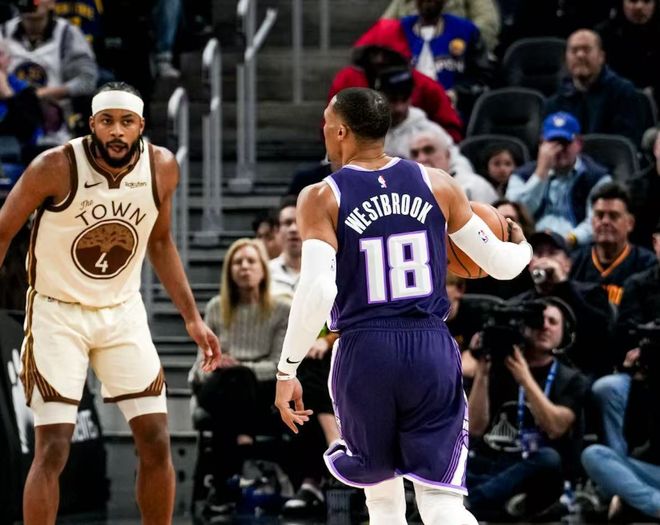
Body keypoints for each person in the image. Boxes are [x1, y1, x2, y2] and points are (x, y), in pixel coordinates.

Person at [273, 87, 532, 524]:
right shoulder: (438, 183)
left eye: (325, 123)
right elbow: (501, 266)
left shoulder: (321, 196)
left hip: (364, 349)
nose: (323, 131)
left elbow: (317, 290)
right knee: (441, 501)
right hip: (429, 347)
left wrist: (287, 370)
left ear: (341, 131)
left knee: (382, 499)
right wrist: (522, 247)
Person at [0, 81, 221, 524]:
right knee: (53, 446)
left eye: (126, 122)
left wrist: (192, 318)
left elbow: (160, 243)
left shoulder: (162, 167)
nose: (117, 131)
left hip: (122, 312)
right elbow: (4, 231)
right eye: (107, 121)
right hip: (57, 313)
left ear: (141, 125)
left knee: (156, 438)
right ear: (92, 125)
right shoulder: (55, 166)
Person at [188, 238, 290, 516]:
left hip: (260, 390)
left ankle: (222, 487)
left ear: (263, 269)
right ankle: (243, 444)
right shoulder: (215, 307)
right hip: (217, 386)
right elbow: (200, 365)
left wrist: (238, 366)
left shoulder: (282, 310)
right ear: (229, 271)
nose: (244, 267)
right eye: (237, 262)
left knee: (239, 379)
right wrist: (218, 365)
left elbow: (278, 366)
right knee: (232, 382)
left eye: (251, 261)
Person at [466, 299, 589, 521]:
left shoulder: (572, 379)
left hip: (535, 467)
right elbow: (473, 428)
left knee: (549, 459)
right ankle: (498, 502)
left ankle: (472, 502)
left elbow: (555, 428)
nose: (545, 326)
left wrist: (525, 378)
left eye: (553, 322)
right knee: (455, 455)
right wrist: (482, 372)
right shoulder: (498, 366)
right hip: (496, 463)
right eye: (538, 321)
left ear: (565, 332)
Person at [506, 111, 611, 249]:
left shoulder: (597, 178)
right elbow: (513, 215)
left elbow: (596, 221)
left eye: (564, 143)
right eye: (553, 143)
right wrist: (541, 173)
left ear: (579, 143)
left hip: (576, 247)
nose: (558, 150)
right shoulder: (521, 175)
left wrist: (570, 239)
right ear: (541, 143)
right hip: (528, 244)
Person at [545, 29, 644, 147]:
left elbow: (627, 144)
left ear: (601, 57)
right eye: (574, 50)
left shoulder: (622, 92)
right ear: (566, 58)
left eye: (586, 50)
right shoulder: (555, 103)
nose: (580, 55)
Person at [570, 182, 657, 308]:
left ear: (630, 223)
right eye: (599, 215)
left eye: (613, 216)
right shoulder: (574, 263)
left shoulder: (648, 266)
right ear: (592, 222)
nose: (605, 221)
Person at [409, 128, 498, 203]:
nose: (421, 159)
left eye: (428, 150)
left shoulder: (474, 186)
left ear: (447, 154)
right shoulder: (407, 193)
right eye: (415, 154)